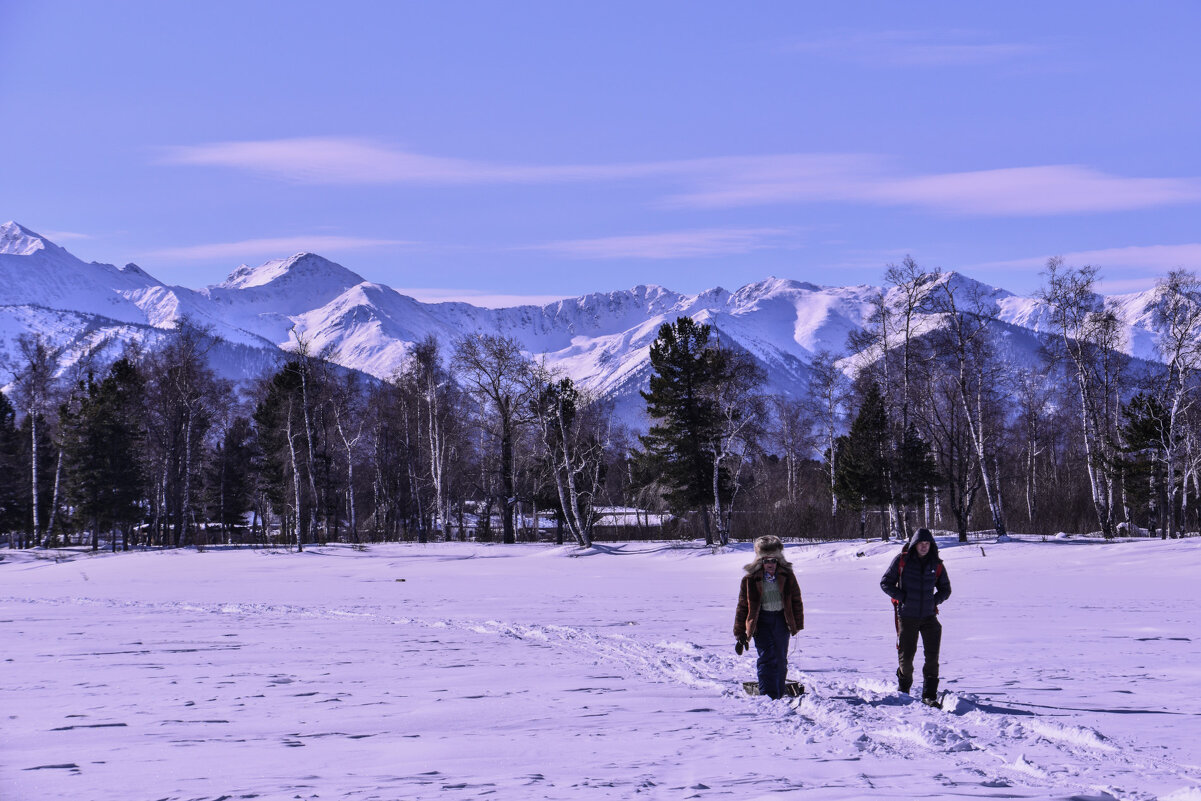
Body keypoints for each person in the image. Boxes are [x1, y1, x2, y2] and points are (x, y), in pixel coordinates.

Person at [880, 528, 952, 705]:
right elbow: (885, 583)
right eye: (921, 543)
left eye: (927, 544)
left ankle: (929, 694)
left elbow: (946, 589)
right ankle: (904, 688)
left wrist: (933, 601)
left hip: (929, 618)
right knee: (907, 657)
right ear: (914, 545)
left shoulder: (936, 564)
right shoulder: (902, 561)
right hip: (907, 616)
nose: (924, 547)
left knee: (932, 657)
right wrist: (903, 597)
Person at [733, 535, 804, 699]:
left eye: (773, 560)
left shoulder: (787, 577)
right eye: (766, 561)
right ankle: (767, 695)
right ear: (760, 562)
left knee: (780, 658)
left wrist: (796, 625)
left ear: (779, 560)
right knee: (766, 658)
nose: (770, 564)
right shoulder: (750, 580)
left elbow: (796, 600)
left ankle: (778, 693)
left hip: (781, 621)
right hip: (761, 623)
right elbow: (743, 606)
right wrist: (740, 633)